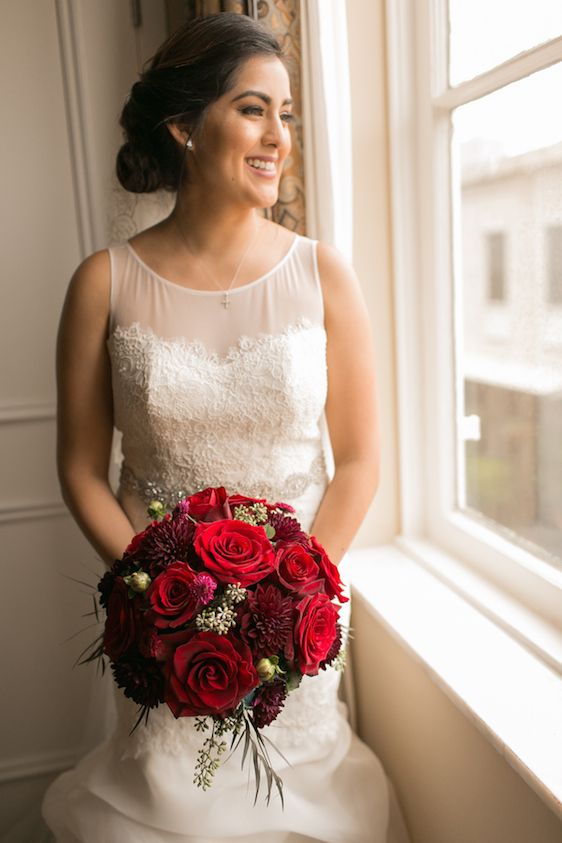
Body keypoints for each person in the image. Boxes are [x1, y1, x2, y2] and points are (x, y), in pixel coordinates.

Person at [41, 12, 411, 843]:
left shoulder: (324, 273)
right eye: (254, 109)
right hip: (162, 623)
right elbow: (78, 469)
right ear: (183, 126)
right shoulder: (102, 283)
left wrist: (294, 596)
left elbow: (358, 460)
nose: (279, 136)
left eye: (286, 114)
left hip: (299, 621)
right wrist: (160, 601)